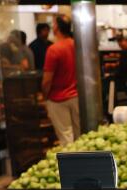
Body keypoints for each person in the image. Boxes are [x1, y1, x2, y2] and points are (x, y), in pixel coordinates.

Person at [42, 14, 80, 146]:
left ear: (56, 27)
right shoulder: (78, 46)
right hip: (77, 96)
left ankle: (71, 166)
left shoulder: (53, 50)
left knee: (66, 138)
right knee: (80, 136)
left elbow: (47, 80)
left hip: (58, 99)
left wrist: (45, 97)